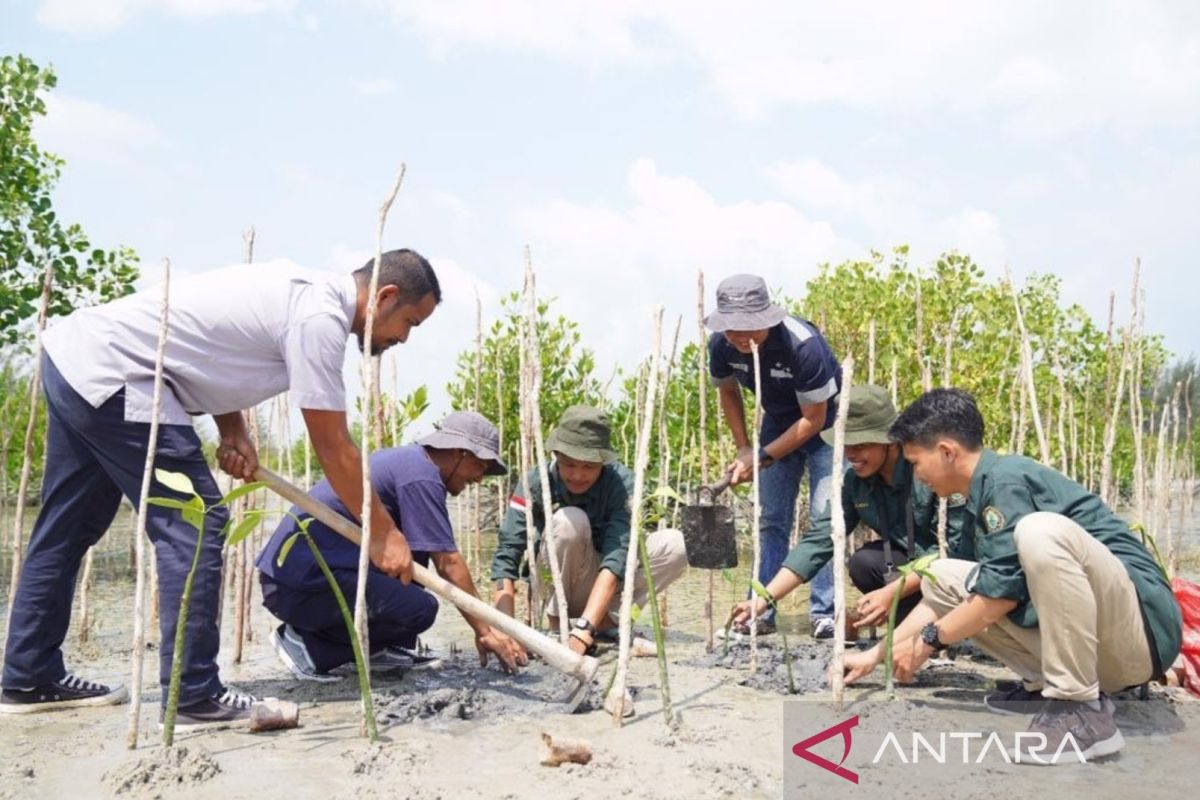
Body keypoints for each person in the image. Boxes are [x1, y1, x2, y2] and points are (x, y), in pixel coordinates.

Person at [1, 250, 439, 728]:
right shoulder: (320, 319)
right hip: (123, 375)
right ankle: (193, 694)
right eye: (410, 323)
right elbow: (334, 448)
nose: (404, 338)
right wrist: (383, 533)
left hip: (77, 361)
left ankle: (28, 676)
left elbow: (205, 349)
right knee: (196, 520)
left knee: (68, 527)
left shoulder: (301, 292)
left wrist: (233, 430)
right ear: (385, 296)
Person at [840, 388, 1182, 763]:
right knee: (941, 572)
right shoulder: (977, 496)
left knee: (1040, 531)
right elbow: (960, 594)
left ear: (947, 452)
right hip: (1104, 652)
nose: (917, 478)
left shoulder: (1006, 481)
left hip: (1140, 637)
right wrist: (875, 656)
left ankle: (1079, 707)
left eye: (917, 464)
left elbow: (997, 598)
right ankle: (1043, 686)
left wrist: (926, 644)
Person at [258, 411, 527, 680]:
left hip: (306, 580)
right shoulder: (420, 476)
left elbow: (429, 556)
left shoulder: (415, 465)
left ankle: (375, 651)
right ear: (460, 453)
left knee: (411, 575)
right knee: (420, 608)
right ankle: (306, 646)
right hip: (298, 584)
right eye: (480, 466)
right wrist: (486, 631)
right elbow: (448, 563)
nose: (479, 478)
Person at [730, 385, 963, 633]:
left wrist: (889, 592)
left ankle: (949, 626)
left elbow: (955, 553)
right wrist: (764, 599)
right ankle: (916, 627)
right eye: (846, 444)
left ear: (891, 442)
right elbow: (818, 541)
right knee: (864, 563)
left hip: (952, 571)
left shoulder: (928, 472)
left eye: (860, 444)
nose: (850, 454)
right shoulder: (854, 482)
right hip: (910, 573)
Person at [490, 405, 688, 656]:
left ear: (603, 463)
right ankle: (557, 625)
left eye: (589, 467)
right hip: (559, 582)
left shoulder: (622, 483)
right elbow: (508, 553)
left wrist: (584, 628)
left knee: (675, 543)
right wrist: (505, 627)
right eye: (569, 464)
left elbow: (617, 555)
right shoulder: (535, 481)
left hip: (607, 581)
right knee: (568, 520)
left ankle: (605, 622)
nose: (577, 475)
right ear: (556, 456)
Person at [706, 274, 842, 638]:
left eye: (746, 327)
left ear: (767, 317)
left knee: (823, 520)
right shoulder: (721, 345)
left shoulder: (803, 346)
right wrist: (744, 449)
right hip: (778, 422)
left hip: (827, 428)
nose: (737, 335)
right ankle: (761, 612)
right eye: (730, 327)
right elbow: (728, 393)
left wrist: (763, 457)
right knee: (770, 520)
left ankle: (824, 613)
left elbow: (813, 420)